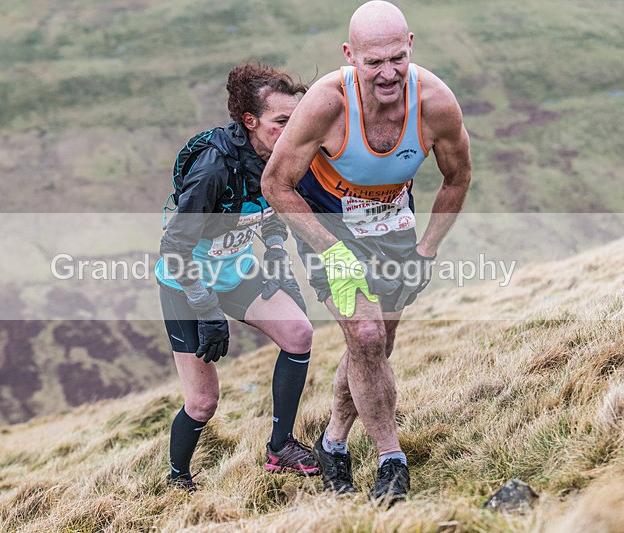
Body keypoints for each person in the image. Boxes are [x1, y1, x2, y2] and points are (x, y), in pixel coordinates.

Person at [261, 1, 472, 504]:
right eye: (374, 62)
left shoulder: (435, 102)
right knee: (367, 332)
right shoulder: (326, 104)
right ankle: (391, 459)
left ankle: (333, 441)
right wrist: (331, 250)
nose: (388, 73)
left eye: (397, 58)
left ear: (411, 46)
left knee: (376, 346)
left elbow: (458, 176)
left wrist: (426, 251)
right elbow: (275, 183)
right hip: (326, 226)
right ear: (349, 55)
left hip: (393, 227)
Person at [155, 62, 319, 491]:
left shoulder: (281, 157)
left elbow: (272, 212)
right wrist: (205, 308)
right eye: (281, 121)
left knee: (299, 333)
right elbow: (173, 247)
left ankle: (280, 448)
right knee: (203, 402)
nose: (292, 130)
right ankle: (178, 479)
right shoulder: (214, 169)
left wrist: (278, 258)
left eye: (296, 119)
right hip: (186, 283)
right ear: (250, 121)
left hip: (236, 272)